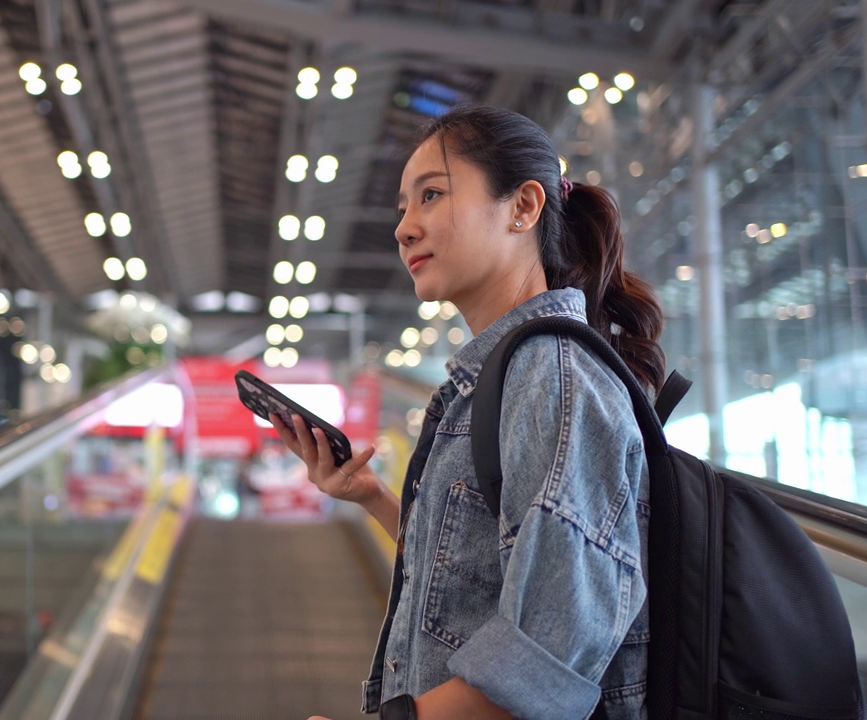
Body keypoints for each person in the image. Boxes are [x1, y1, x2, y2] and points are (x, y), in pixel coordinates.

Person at [271, 105, 664, 719]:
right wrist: (373, 496)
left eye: (431, 195)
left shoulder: (550, 374)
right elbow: (481, 576)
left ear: (523, 208)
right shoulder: (499, 376)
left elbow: (544, 659)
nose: (404, 228)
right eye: (403, 206)